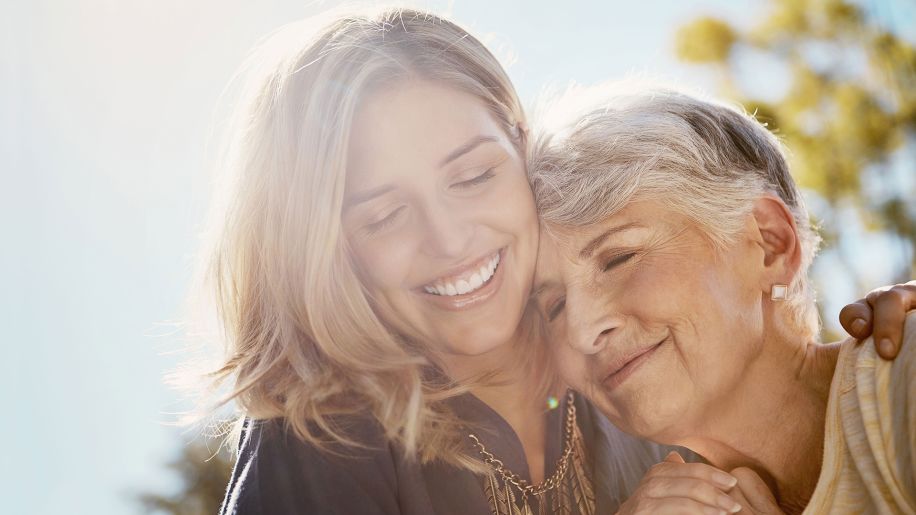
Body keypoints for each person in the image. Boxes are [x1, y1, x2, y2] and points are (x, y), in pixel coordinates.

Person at [196, 7, 910, 514]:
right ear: (333, 250)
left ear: (516, 145)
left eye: (474, 174)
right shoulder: (327, 432)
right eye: (383, 214)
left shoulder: (650, 407)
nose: (450, 239)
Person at [528, 83, 916, 513]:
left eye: (619, 258)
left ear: (769, 243)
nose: (582, 331)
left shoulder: (902, 380)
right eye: (554, 307)